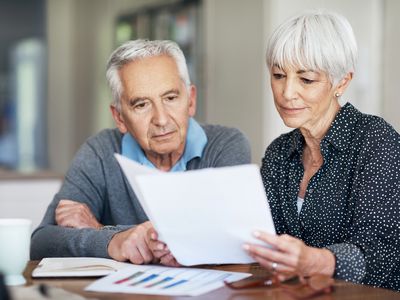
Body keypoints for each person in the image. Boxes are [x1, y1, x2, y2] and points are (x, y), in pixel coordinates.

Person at [30, 40, 251, 265]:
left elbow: (227, 236)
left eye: (171, 98)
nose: (161, 120)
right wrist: (115, 241)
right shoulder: (100, 152)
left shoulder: (226, 145)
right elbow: (41, 242)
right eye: (141, 105)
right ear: (119, 117)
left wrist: (102, 230)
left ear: (191, 100)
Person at [243, 10, 400, 290]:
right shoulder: (279, 153)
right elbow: (259, 239)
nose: (287, 92)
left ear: (342, 82)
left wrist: (314, 261)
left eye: (306, 79)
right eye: (279, 75)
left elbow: (380, 254)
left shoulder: (375, 140)